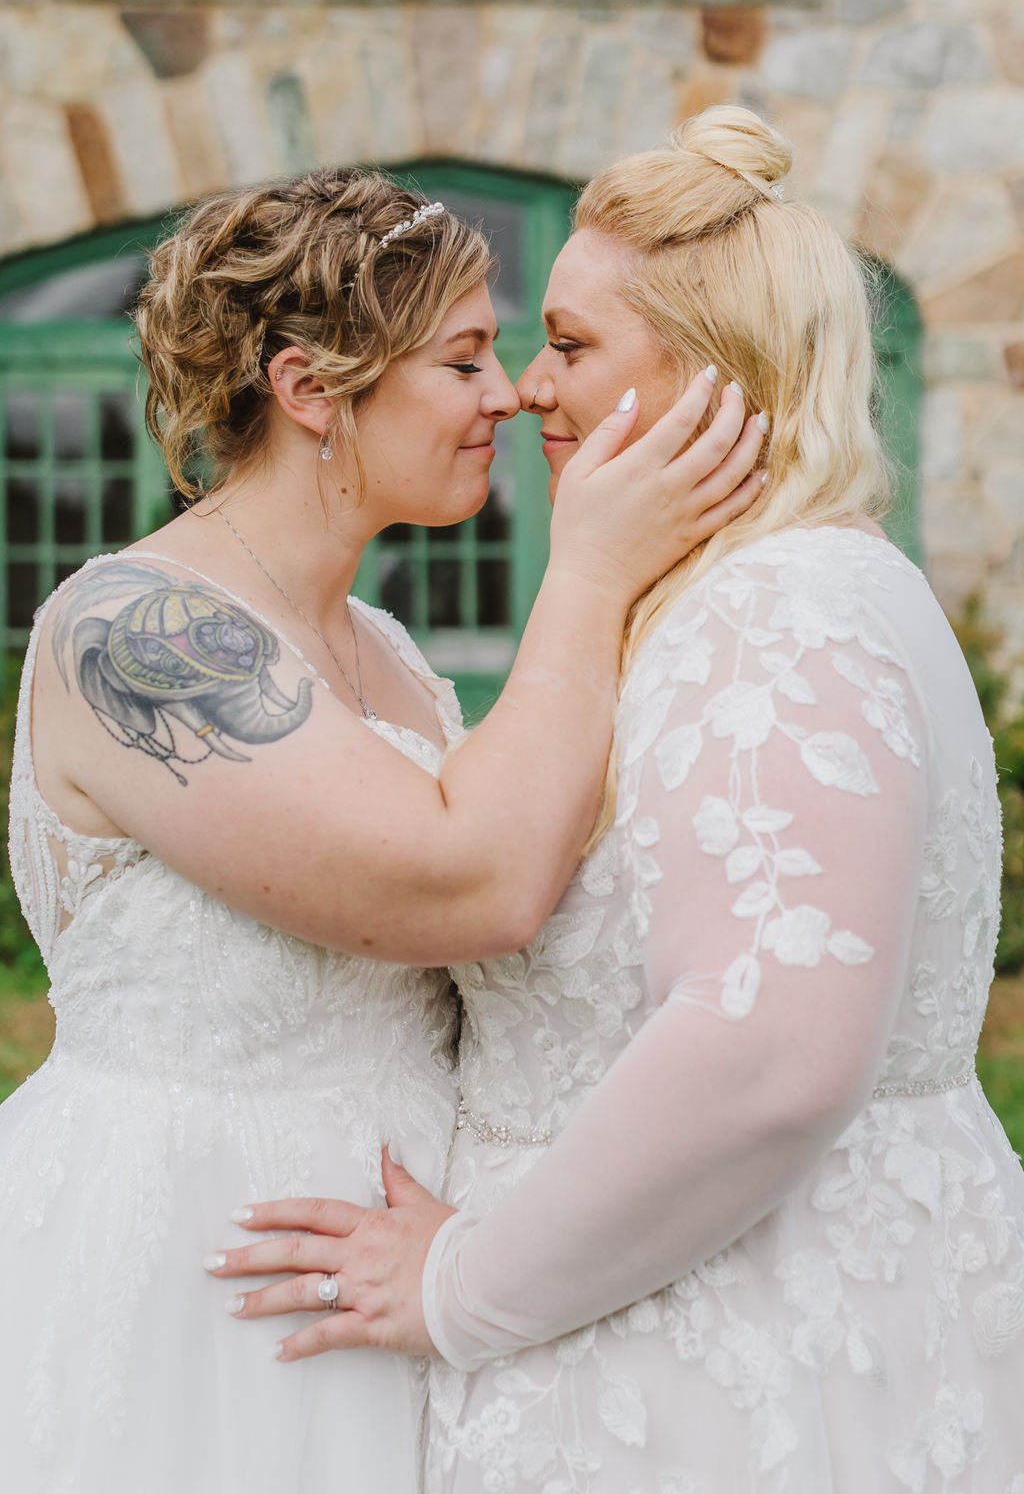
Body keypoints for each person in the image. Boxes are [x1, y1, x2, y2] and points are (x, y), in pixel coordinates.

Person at [211, 110, 1024, 1493]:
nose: (529, 388)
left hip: (732, 1369)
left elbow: (773, 1051)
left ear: (720, 368)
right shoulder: (766, 591)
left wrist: (463, 1284)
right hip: (684, 1329)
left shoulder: (778, 615)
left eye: (571, 346)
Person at [1, 167, 765, 1494]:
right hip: (202, 1275)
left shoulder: (393, 656)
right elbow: (471, 884)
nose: (513, 392)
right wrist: (587, 570)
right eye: (466, 358)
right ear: (309, 391)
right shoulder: (133, 632)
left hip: (392, 1284)